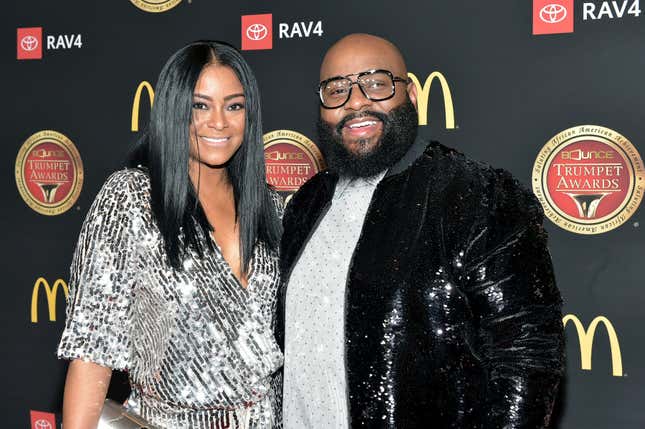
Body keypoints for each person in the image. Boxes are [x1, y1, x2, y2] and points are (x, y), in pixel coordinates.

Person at [277, 33, 565, 428]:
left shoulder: (478, 195)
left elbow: (526, 354)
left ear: (410, 96)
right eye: (336, 89)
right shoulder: (306, 204)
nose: (356, 101)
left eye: (376, 83)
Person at [57, 40, 283, 429]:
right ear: (174, 109)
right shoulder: (130, 200)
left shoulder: (275, 209)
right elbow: (92, 351)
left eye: (234, 105)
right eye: (200, 105)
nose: (219, 122)